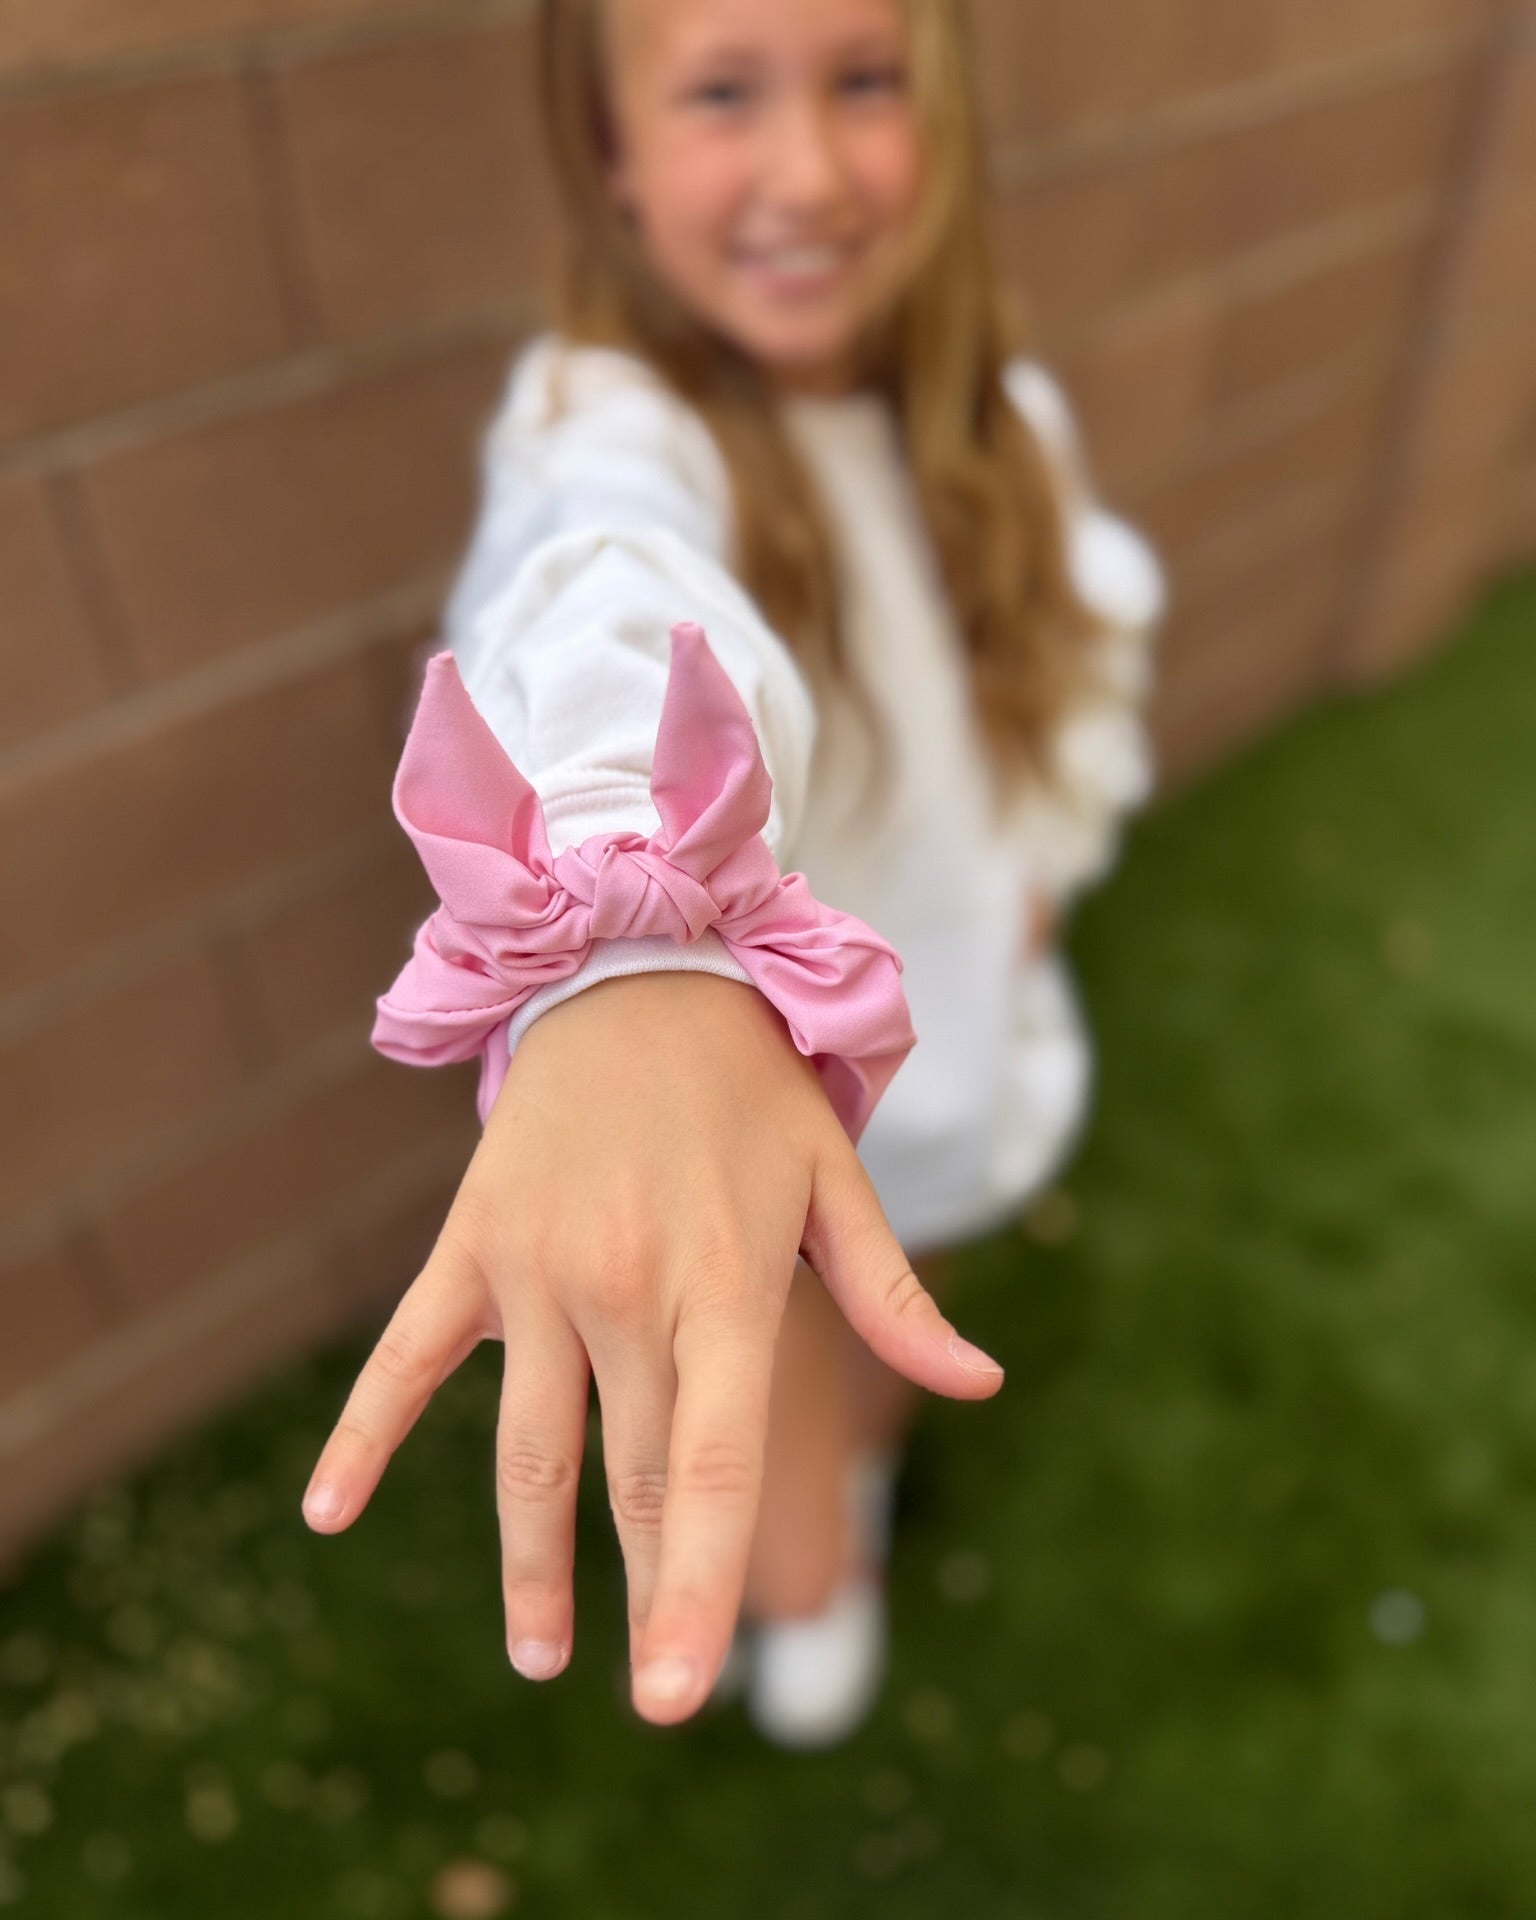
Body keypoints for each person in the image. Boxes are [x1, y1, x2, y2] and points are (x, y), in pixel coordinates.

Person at [301, 0, 1166, 1748]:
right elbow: (608, 582)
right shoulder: (606, 420)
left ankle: (847, 1470)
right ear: (613, 155)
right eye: (719, 95)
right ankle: (814, 1571)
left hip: (944, 1026)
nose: (807, 170)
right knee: (765, 1378)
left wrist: (1036, 885)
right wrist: (630, 948)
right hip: (744, 1103)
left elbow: (1073, 682)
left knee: (895, 1295)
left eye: (863, 82)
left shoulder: (1002, 415)